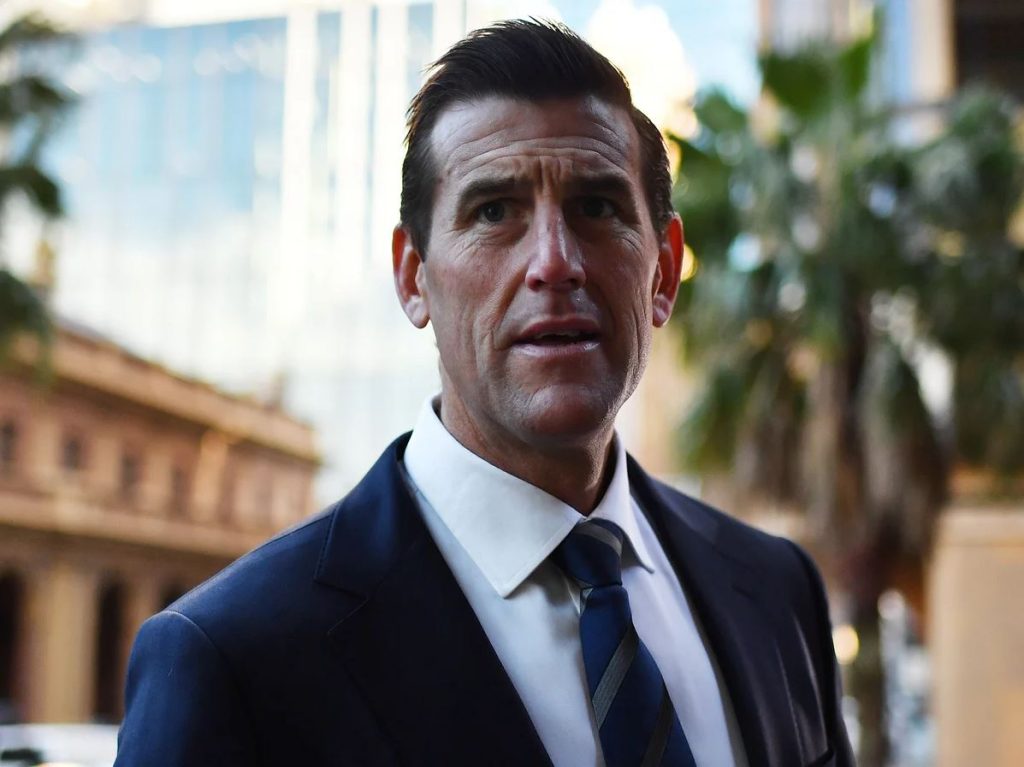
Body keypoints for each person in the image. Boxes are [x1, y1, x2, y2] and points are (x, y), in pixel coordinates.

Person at [115, 20, 854, 767]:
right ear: (413, 277)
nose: (554, 263)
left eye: (597, 208)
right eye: (494, 211)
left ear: (663, 270)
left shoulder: (776, 591)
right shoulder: (233, 658)